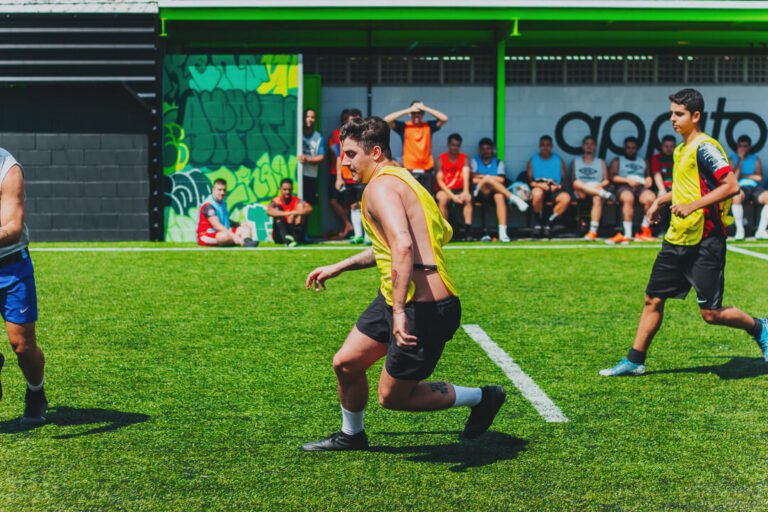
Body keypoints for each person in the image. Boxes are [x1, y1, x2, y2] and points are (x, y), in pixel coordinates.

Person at [301, 117, 506, 451]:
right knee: (346, 362)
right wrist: (340, 266)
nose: (344, 162)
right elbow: (394, 245)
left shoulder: (379, 188)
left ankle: (483, 398)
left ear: (376, 152)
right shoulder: (406, 181)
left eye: (351, 154)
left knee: (394, 397)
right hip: (398, 296)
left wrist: (398, 312)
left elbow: (403, 246)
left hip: (420, 308)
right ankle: (352, 435)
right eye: (342, 153)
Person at [600, 88, 768, 377]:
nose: (673, 119)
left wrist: (693, 206)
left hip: (706, 241)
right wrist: (657, 202)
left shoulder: (706, 147)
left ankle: (760, 327)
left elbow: (731, 186)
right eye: (671, 113)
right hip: (676, 238)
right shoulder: (680, 149)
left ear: (696, 116)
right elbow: (684, 188)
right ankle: (634, 359)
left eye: (679, 114)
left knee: (711, 315)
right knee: (653, 298)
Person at [0, 148, 47, 424]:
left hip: (10, 266)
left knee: (22, 345)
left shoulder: (7, 167)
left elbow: (12, 228)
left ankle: (36, 392)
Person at [471, 138, 528, 243]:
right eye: (483, 149)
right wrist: (488, 178)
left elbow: (501, 179)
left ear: (492, 150)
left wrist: (482, 177)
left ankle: (503, 233)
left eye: (488, 149)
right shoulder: (474, 161)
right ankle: (512, 197)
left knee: (500, 196)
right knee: (487, 180)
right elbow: (474, 179)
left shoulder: (498, 163)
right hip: (479, 193)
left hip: (494, 193)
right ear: (479, 150)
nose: (485, 151)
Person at [384, 100, 448, 193]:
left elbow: (444, 118)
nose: (417, 115)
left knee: (427, 201)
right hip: (409, 171)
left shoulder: (429, 126)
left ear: (423, 114)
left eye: (420, 113)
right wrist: (408, 110)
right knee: (410, 200)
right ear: (410, 114)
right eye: (414, 113)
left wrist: (424, 108)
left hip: (427, 171)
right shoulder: (404, 126)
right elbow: (386, 120)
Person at [606, 137, 657, 244]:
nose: (630, 150)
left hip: (640, 187)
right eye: (628, 147)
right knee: (628, 198)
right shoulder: (618, 160)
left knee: (651, 198)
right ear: (624, 148)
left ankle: (645, 230)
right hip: (623, 186)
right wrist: (628, 181)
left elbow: (648, 176)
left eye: (633, 148)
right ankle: (627, 234)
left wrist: (648, 180)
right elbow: (612, 177)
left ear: (637, 149)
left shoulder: (643, 161)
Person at [571, 135, 614, 241]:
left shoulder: (601, 161)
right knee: (577, 183)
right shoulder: (576, 162)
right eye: (587, 144)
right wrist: (587, 188)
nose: (589, 146)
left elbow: (606, 180)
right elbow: (573, 181)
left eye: (591, 144)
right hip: (581, 190)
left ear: (595, 147)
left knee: (597, 197)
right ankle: (604, 194)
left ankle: (593, 232)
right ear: (583, 146)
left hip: (596, 187)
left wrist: (599, 186)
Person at [527, 135, 571, 238]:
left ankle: (549, 223)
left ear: (551, 147)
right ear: (539, 146)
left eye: (548, 145)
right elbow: (530, 181)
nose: (545, 147)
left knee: (566, 199)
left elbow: (564, 179)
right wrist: (539, 185)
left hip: (555, 189)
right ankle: (538, 223)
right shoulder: (533, 160)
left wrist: (559, 186)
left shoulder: (558, 160)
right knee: (537, 194)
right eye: (543, 145)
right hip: (539, 187)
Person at [335, 110, 368, 244]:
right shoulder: (342, 137)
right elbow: (339, 158)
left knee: (365, 205)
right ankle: (358, 234)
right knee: (353, 205)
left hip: (361, 175)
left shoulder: (365, 135)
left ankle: (368, 236)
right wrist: (339, 177)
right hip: (348, 176)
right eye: (351, 120)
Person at [197, 179, 258, 247]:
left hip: (223, 231)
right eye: (219, 190)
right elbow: (217, 225)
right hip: (207, 235)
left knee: (245, 229)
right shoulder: (208, 205)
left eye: (224, 190)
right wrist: (234, 236)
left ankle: (247, 243)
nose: (222, 193)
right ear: (213, 190)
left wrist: (239, 224)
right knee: (224, 236)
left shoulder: (223, 203)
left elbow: (225, 220)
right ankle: (241, 242)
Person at [729, 135, 768, 240]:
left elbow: (759, 177)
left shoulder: (755, 159)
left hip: (754, 188)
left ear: (749, 147)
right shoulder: (732, 159)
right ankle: (740, 231)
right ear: (737, 147)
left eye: (745, 146)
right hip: (740, 188)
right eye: (741, 146)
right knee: (736, 197)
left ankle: (761, 231)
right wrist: (740, 160)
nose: (743, 148)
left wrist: (744, 175)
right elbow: (733, 178)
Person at [435, 133, 472, 240]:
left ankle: (468, 230)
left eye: (457, 145)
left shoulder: (464, 158)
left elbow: (466, 177)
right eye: (453, 145)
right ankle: (444, 230)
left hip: (459, 189)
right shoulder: (441, 159)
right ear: (448, 145)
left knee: (468, 198)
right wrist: (452, 196)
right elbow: (439, 181)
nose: (455, 147)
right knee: (442, 198)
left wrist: (465, 192)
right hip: (445, 190)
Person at [327, 108, 354, 239]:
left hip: (350, 173)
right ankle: (348, 225)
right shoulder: (336, 134)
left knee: (348, 203)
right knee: (333, 200)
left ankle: (351, 229)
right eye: (345, 120)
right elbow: (335, 154)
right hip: (336, 172)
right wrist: (339, 176)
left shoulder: (356, 136)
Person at [267, 179, 313, 247]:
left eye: (289, 190)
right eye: (285, 190)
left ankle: (296, 238)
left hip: (293, 229)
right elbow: (269, 211)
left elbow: (309, 209)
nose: (287, 192)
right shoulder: (276, 201)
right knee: (278, 213)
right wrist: (287, 214)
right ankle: (287, 240)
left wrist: (295, 213)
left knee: (301, 211)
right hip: (279, 235)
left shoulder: (297, 200)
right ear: (280, 189)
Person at [650, 134, 676, 236]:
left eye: (671, 146)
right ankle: (660, 230)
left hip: (676, 187)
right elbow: (657, 174)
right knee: (661, 201)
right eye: (666, 146)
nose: (669, 149)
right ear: (662, 147)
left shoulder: (678, 157)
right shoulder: (657, 158)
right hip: (662, 187)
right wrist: (661, 189)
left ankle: (674, 229)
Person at [298, 108, 325, 206]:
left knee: (307, 205)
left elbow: (321, 157)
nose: (309, 119)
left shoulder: (318, 137)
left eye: (312, 117)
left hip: (310, 175)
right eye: (307, 116)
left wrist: (307, 159)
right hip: (296, 174)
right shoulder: (297, 134)